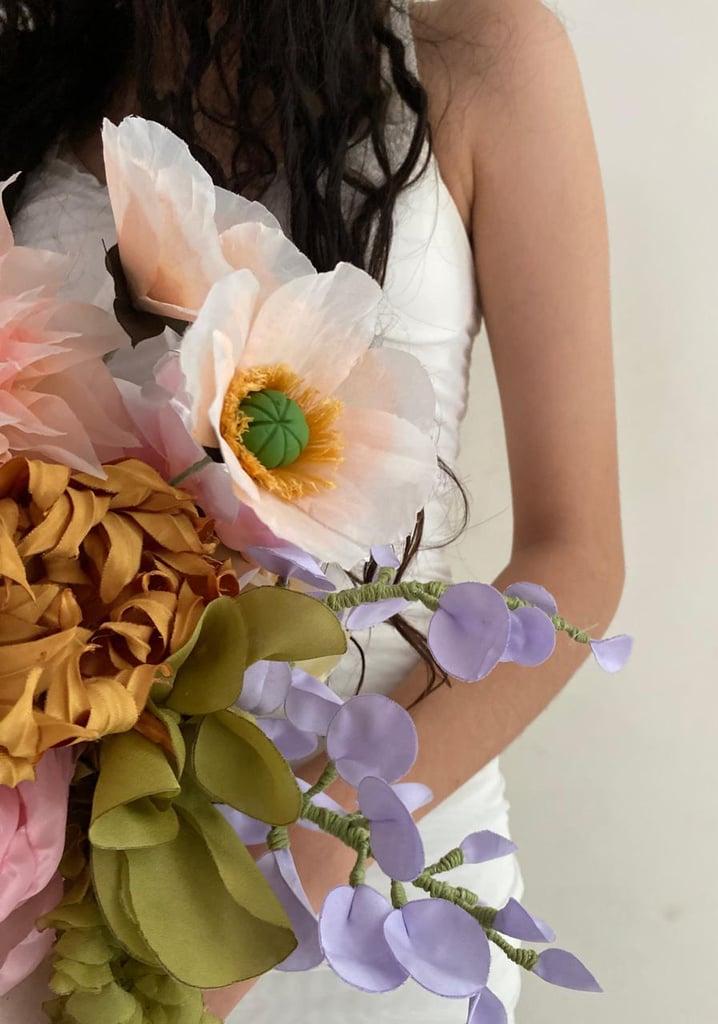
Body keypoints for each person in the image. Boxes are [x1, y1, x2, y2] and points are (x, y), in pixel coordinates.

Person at [0, 0, 624, 1020]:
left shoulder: (483, 51)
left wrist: (293, 870)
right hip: (68, 881)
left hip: (375, 884)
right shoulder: (40, 64)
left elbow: (578, 557)